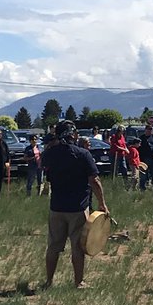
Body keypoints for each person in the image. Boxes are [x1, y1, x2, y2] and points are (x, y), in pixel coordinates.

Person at [42, 120, 110, 289]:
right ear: (73, 134)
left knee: (53, 247)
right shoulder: (82, 154)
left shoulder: (50, 154)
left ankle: (49, 282)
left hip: (56, 207)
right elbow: (94, 180)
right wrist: (102, 203)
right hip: (78, 208)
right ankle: (78, 282)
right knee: (78, 247)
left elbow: (46, 171)